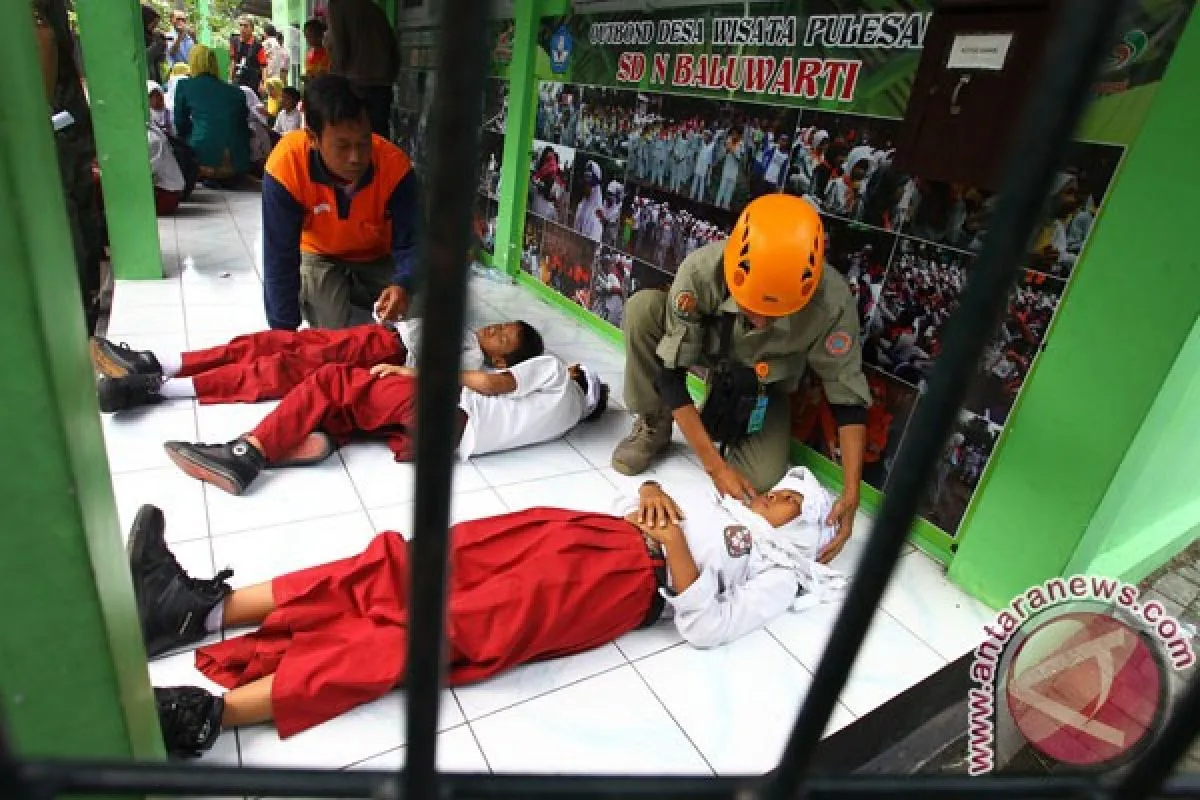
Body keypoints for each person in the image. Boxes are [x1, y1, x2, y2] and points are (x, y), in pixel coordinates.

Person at [134, 464, 846, 756]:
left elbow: (708, 627)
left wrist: (675, 547)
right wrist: (653, 491)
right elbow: (642, 502)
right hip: (580, 532)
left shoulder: (779, 572)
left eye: (788, 499)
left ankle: (211, 716)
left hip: (616, 585)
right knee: (401, 563)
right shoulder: (729, 508)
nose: (769, 495)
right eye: (777, 488)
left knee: (433, 633)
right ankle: (202, 608)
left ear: (803, 528)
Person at [612, 194, 870, 564]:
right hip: (709, 355)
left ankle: (725, 420)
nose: (761, 322)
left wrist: (851, 492)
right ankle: (654, 425)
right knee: (642, 310)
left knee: (757, 484)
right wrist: (714, 466)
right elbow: (670, 376)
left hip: (765, 383)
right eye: (752, 308)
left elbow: (848, 400)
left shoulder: (832, 301)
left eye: (775, 314)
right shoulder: (703, 271)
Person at [161, 353, 607, 495]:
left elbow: (493, 383)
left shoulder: (557, 374)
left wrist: (414, 371)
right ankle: (319, 439)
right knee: (351, 408)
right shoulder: (565, 422)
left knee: (334, 380)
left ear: (577, 374)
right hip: (442, 444)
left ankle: (246, 453)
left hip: (440, 407)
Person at [90, 319, 540, 411]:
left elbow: (444, 375)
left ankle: (157, 387)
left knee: (279, 368)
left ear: (501, 357)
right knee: (270, 342)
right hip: (374, 335)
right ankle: (159, 361)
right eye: (501, 325)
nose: (494, 329)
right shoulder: (468, 333)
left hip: (382, 353)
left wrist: (407, 369)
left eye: (502, 337)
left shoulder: (473, 359)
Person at [262, 74, 419, 331]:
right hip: (319, 254)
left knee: (419, 315)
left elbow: (412, 242)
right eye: (342, 146)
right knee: (332, 331)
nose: (356, 158)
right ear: (313, 138)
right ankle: (341, 290)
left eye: (364, 143)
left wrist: (403, 283)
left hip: (377, 255)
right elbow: (279, 258)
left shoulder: (395, 166)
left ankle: (355, 289)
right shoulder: (286, 166)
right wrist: (283, 333)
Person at [173, 45, 251, 186]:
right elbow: (243, 126)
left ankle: (207, 172)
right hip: (237, 162)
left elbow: (180, 124)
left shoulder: (185, 86)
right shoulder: (236, 92)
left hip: (203, 160)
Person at [326, 0, 400, 137]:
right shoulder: (373, 8)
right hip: (382, 81)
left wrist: (332, 81)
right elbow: (393, 47)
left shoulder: (337, 6)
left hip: (355, 82)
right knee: (379, 133)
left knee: (354, 133)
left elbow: (339, 48)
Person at [147, 122, 186, 215]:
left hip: (165, 195)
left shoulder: (152, 139)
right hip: (164, 191)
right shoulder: (151, 132)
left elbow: (146, 172)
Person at [229, 15, 267, 92]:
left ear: (252, 29)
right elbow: (233, 61)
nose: (242, 28)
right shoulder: (234, 42)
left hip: (252, 83)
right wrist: (230, 79)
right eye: (241, 25)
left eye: (246, 26)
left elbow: (264, 67)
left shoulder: (258, 46)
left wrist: (263, 83)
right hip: (237, 81)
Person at [142, 4, 167, 82]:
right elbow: (145, 59)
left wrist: (162, 46)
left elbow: (161, 60)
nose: (155, 28)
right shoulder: (140, 38)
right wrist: (157, 44)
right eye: (153, 24)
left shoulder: (152, 37)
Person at [302, 18, 330, 83]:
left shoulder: (329, 53)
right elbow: (308, 73)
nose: (308, 39)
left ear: (321, 34)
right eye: (306, 36)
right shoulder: (309, 54)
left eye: (311, 35)